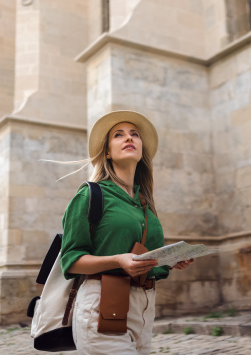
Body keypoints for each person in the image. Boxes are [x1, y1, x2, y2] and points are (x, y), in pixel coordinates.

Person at [60, 110, 193, 354]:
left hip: (143, 307)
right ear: (107, 152)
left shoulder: (144, 203)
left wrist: (170, 260)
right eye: (119, 135)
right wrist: (118, 260)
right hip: (103, 303)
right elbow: (71, 260)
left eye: (134, 134)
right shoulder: (89, 195)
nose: (129, 138)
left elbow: (141, 255)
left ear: (142, 149)